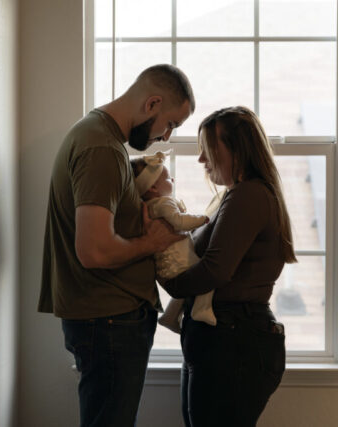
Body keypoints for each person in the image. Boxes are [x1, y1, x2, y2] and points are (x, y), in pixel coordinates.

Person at [38, 64, 195, 427]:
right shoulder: (102, 149)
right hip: (109, 319)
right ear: (152, 103)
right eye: (170, 123)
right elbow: (94, 251)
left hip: (105, 317)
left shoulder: (98, 138)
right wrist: (152, 241)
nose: (166, 136)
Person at [160, 106, 298, 427]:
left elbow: (214, 271)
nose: (201, 160)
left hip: (234, 342)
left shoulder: (248, 195)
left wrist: (163, 274)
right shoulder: (235, 195)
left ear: (237, 149)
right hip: (223, 340)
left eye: (209, 150)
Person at [129, 150, 214, 334]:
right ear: (152, 187)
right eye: (167, 178)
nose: (172, 181)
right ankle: (202, 309)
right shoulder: (164, 203)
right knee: (207, 277)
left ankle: (169, 316)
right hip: (178, 260)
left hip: (166, 265)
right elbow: (179, 221)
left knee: (186, 286)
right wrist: (202, 219)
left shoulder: (150, 206)